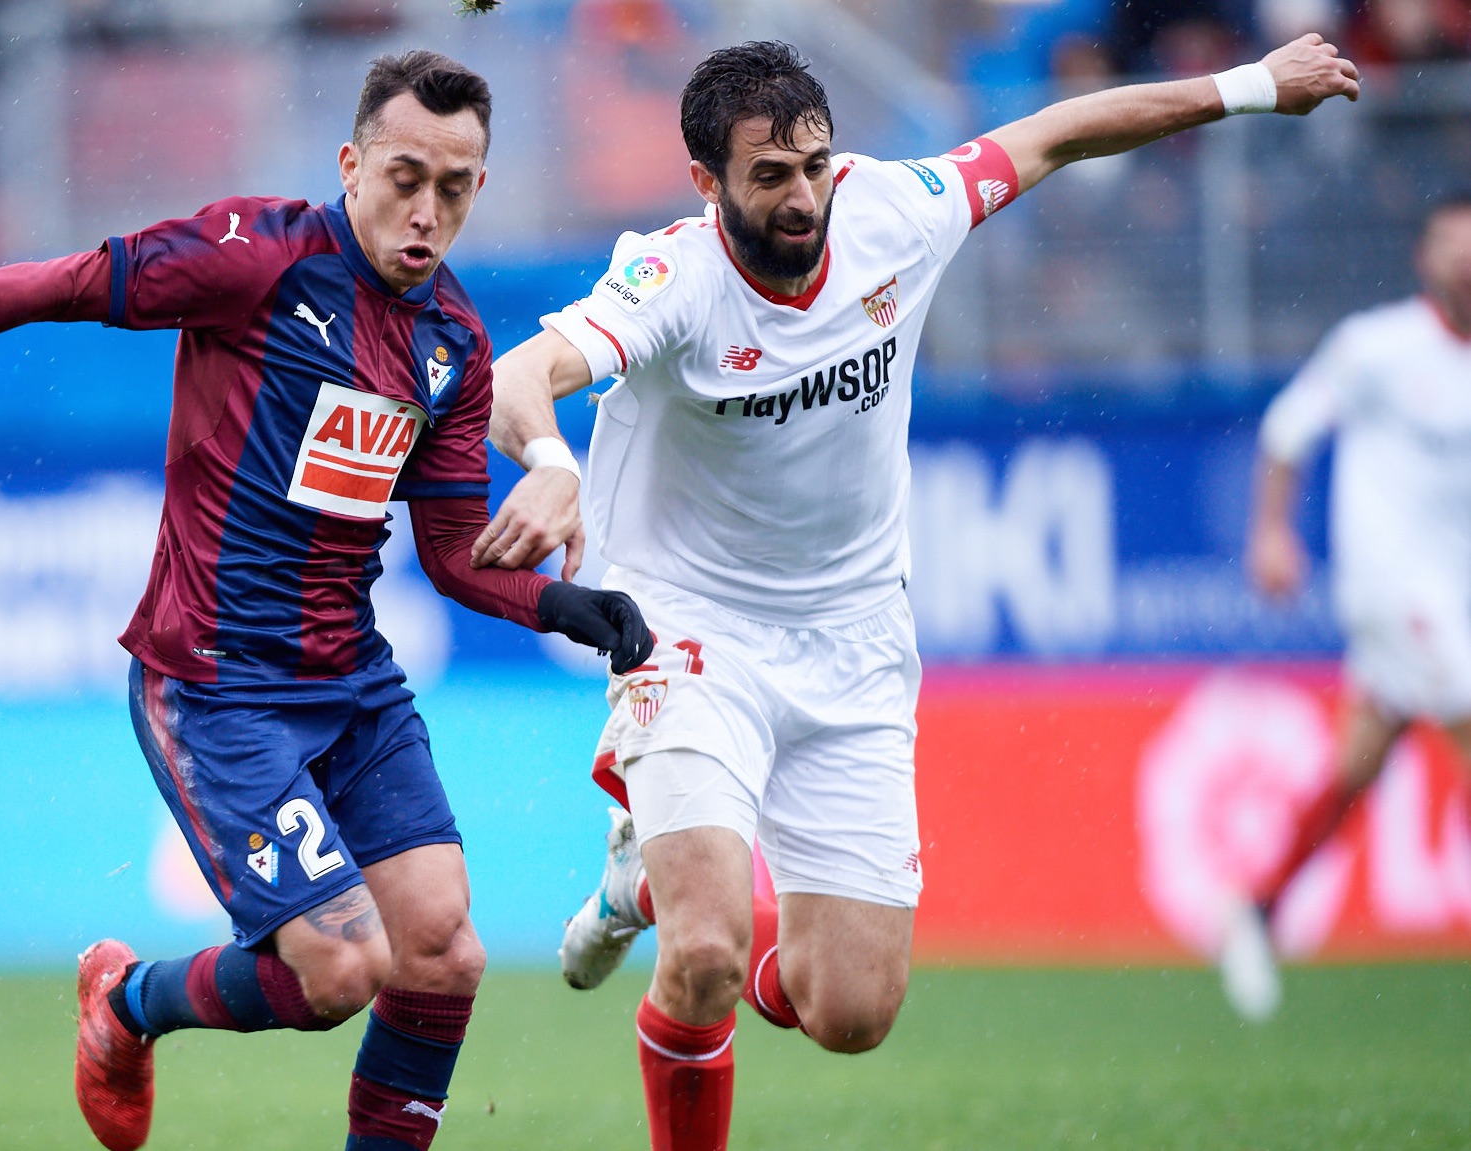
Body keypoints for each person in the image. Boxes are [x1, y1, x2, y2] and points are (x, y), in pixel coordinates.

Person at [0, 51, 652, 1151]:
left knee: (443, 955)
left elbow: (458, 554)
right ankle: (123, 1006)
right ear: (350, 163)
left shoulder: (451, 343)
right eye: (404, 177)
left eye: (454, 188)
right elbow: (60, 283)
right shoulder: (257, 258)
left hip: (352, 685)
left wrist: (568, 607)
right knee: (338, 968)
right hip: (214, 685)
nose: (426, 211)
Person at [477, 36, 1359, 1151]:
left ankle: (637, 882)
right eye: (768, 176)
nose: (803, 198)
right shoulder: (673, 278)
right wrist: (552, 463)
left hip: (853, 644)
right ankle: (672, 899)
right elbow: (518, 375)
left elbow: (1055, 133)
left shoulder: (895, 210)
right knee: (701, 958)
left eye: (814, 164)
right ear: (706, 184)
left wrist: (1247, 88)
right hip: (688, 628)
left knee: (849, 1010)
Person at [1221, 192, 1471, 1022]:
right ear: (1423, 260)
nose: (1463, 260)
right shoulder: (1376, 347)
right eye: (1449, 244)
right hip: (1392, 591)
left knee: (1353, 771)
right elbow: (1289, 431)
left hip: (1455, 595)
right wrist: (1271, 534)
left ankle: (1255, 910)